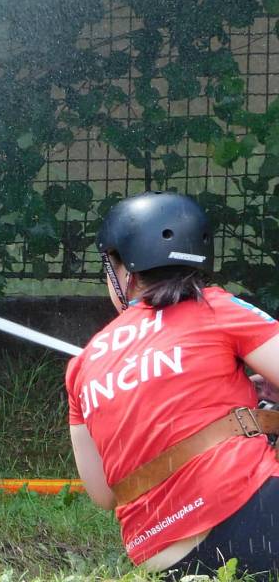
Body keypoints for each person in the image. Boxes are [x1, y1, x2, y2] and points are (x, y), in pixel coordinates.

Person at [65, 191, 279, 579]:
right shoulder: (218, 307)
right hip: (256, 524)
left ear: (124, 271)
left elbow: (103, 493)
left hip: (164, 561)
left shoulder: (83, 363)